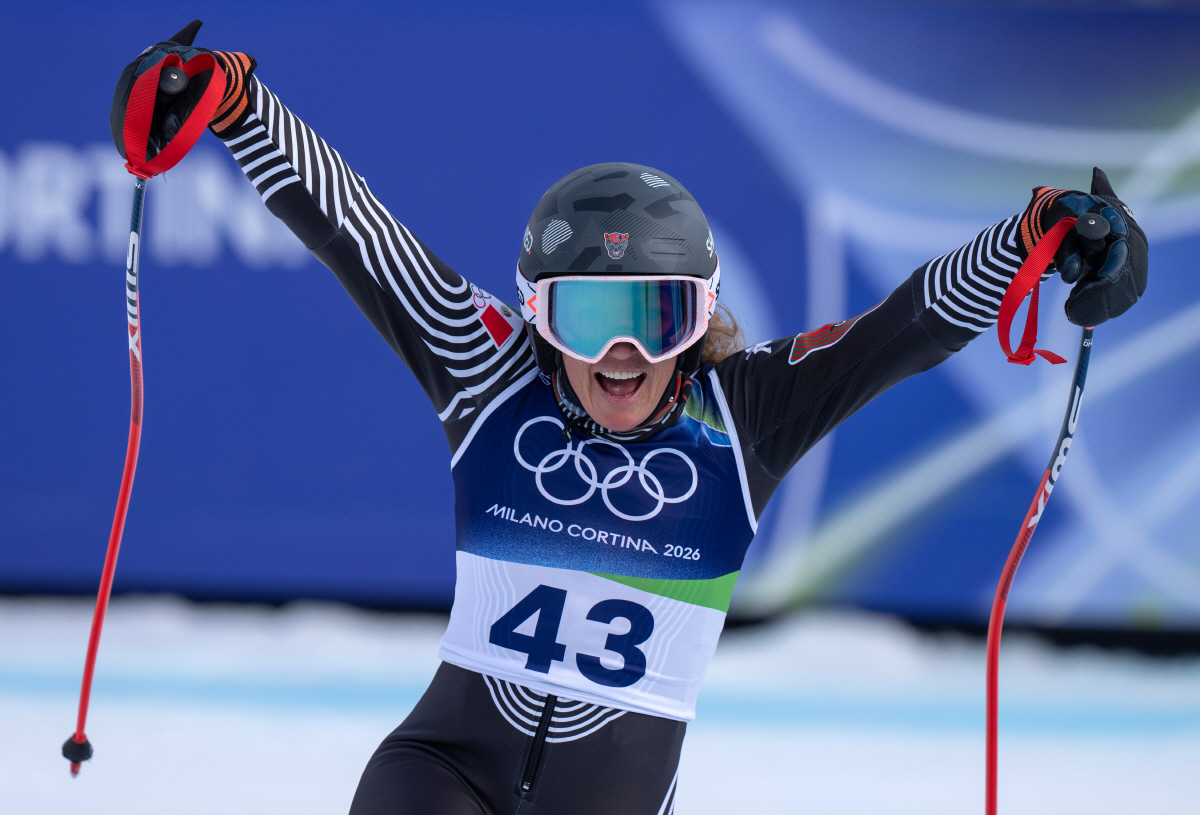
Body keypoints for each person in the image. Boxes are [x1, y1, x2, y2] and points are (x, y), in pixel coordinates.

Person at [111, 24, 1148, 815]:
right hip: (439, 772)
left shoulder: (747, 415)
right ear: (536, 317)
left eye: (655, 315)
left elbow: (906, 323)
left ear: (701, 317)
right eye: (588, 313)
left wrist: (1038, 234)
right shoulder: (488, 371)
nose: (622, 352)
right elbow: (358, 228)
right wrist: (237, 104)